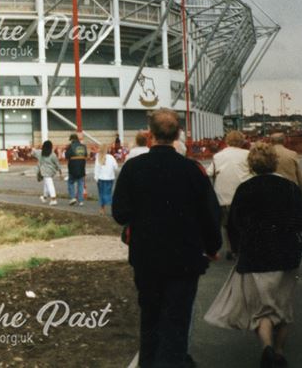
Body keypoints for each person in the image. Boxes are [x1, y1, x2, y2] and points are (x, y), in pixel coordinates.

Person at [112, 109, 222, 368]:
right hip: (184, 258)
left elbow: (120, 213)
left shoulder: (133, 168)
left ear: (150, 135)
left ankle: (148, 362)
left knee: (150, 316)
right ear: (178, 134)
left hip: (147, 257)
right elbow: (210, 213)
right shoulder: (193, 170)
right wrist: (212, 246)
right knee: (176, 320)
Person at [204, 143, 302, 367]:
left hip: (255, 256)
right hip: (286, 254)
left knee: (262, 310)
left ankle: (267, 347)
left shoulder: (244, 189)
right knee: (283, 307)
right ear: (275, 162)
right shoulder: (289, 188)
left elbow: (234, 224)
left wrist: (238, 248)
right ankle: (279, 351)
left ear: (251, 164)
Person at [207, 130, 252, 260]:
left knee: (226, 225)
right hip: (243, 195)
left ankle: (229, 249)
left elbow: (209, 172)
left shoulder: (218, 156)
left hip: (223, 195)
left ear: (227, 141)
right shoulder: (247, 154)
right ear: (242, 141)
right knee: (243, 223)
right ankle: (242, 248)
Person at [92, 144, 119, 215]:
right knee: (108, 193)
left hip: (101, 178)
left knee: (101, 194)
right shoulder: (111, 157)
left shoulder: (98, 157)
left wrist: (96, 178)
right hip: (110, 178)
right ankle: (113, 208)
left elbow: (96, 169)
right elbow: (116, 167)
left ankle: (102, 209)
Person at [35, 140, 61, 205]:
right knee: (46, 184)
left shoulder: (40, 153)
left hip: (44, 171)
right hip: (51, 171)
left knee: (49, 184)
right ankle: (44, 197)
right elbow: (57, 163)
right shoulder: (53, 154)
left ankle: (53, 199)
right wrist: (60, 170)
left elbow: (33, 152)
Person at [65, 133, 88, 206]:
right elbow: (86, 155)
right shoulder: (83, 146)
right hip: (81, 167)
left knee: (71, 182)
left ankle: (72, 198)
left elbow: (66, 156)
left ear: (72, 139)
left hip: (72, 167)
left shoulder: (70, 146)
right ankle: (81, 201)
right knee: (80, 183)